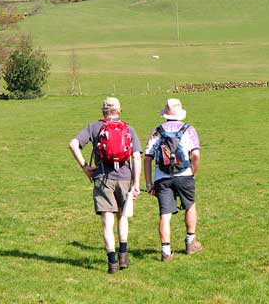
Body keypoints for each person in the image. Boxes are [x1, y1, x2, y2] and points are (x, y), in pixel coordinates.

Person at [69, 97, 142, 274]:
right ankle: (124, 254)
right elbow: (137, 157)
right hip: (124, 178)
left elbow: (73, 144)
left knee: (107, 221)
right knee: (122, 217)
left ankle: (112, 262)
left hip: (102, 178)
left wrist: (86, 167)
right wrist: (136, 183)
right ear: (119, 111)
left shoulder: (94, 127)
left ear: (103, 112)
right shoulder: (128, 128)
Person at [144, 98, 202, 261]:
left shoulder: (157, 131)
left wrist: (149, 183)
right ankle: (191, 243)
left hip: (162, 178)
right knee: (190, 206)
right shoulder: (189, 129)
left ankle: (166, 252)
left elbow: (147, 158)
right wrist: (193, 173)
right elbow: (196, 155)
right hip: (184, 175)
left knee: (165, 214)